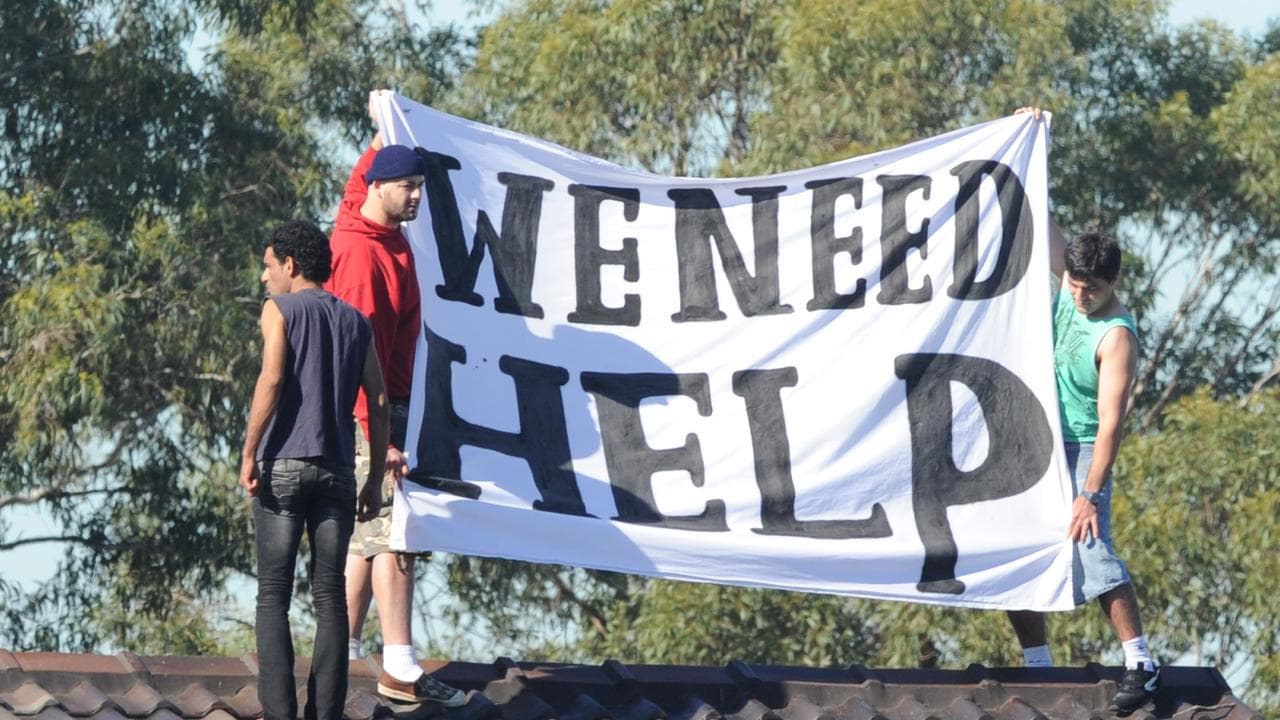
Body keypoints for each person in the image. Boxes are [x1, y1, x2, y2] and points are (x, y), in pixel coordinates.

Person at [327, 92, 465, 706]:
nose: (415, 197)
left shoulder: (362, 217)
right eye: (406, 186)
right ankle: (400, 666)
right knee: (394, 533)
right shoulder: (362, 257)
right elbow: (360, 359)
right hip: (372, 412)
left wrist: (382, 129)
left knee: (366, 535)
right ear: (381, 189)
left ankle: (338, 655)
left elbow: (359, 178)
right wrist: (380, 437)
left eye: (419, 187)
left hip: (377, 412)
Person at [1005, 212, 1160, 713]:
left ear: (1112, 282)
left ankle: (1141, 664)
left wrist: (1089, 494)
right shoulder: (1070, 281)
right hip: (1038, 441)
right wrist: (1024, 163)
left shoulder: (1116, 336)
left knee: (1092, 551)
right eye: (1073, 284)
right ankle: (1038, 664)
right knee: (1013, 548)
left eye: (1091, 289)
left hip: (1083, 450)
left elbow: (1111, 425)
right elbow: (1040, 213)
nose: (1079, 296)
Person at [239, 220, 387, 720]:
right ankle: (325, 713)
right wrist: (372, 480)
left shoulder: (278, 310)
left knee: (273, 594)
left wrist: (249, 452)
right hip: (338, 471)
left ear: (290, 264)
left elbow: (272, 378)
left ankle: (280, 712)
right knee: (331, 597)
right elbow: (379, 402)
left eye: (268, 266)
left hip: (283, 464)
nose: (265, 277)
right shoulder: (357, 322)